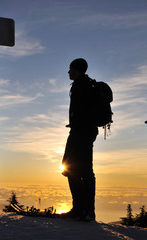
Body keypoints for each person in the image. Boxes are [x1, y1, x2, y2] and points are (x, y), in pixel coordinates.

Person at [61, 58, 98, 221]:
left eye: (71, 69)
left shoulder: (80, 85)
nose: (69, 72)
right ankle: (87, 211)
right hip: (87, 132)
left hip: (80, 132)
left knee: (71, 168)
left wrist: (76, 127)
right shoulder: (88, 84)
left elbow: (80, 112)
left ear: (77, 70)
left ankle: (80, 209)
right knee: (86, 171)